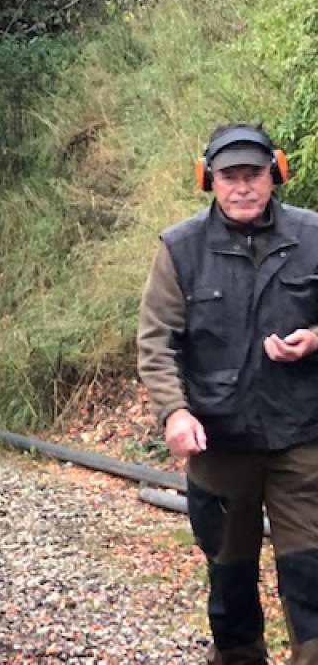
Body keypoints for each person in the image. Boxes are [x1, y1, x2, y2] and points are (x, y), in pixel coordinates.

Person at [137, 121, 318, 665]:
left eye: (253, 175)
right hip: (218, 445)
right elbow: (156, 341)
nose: (242, 187)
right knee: (230, 579)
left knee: (311, 574)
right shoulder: (180, 248)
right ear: (208, 179)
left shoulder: (313, 236)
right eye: (229, 176)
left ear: (275, 174)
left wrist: (315, 338)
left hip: (302, 439)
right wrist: (174, 412)